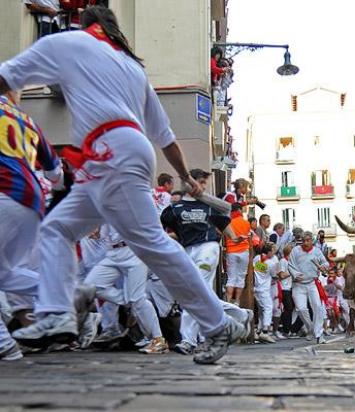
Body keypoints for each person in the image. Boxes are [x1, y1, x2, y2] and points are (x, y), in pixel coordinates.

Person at [1, 6, 246, 364]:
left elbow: (6, 76)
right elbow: (166, 138)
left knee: (152, 244)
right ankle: (58, 313)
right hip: (115, 155)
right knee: (57, 228)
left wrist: (185, 178)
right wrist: (185, 176)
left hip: (111, 153)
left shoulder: (67, 43)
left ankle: (217, 323)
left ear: (83, 23)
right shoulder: (133, 68)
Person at [161, 169, 253, 355]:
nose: (202, 186)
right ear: (188, 183)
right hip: (187, 251)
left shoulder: (210, 206)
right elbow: (164, 229)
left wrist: (233, 237)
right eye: (200, 182)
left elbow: (224, 221)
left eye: (204, 183)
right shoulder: (174, 209)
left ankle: (187, 340)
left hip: (208, 248)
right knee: (200, 294)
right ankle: (240, 313)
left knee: (194, 291)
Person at [0, 90, 63, 360]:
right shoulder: (27, 119)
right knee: (4, 274)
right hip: (32, 202)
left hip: (3, 191)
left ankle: (5, 347)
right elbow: (55, 173)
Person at [83, 225, 168, 354]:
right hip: (111, 252)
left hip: (133, 251)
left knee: (137, 299)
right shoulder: (102, 207)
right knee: (91, 286)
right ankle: (133, 302)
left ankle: (158, 340)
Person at [288, 231, 330, 344]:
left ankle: (319, 334)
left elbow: (326, 263)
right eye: (304, 241)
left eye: (308, 240)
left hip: (312, 283)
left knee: (318, 307)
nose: (306, 243)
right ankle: (310, 327)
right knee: (300, 308)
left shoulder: (317, 251)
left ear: (312, 240)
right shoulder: (295, 251)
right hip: (298, 284)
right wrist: (296, 275)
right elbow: (290, 265)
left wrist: (323, 267)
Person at [225, 203, 251, 304]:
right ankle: (237, 301)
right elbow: (248, 236)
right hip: (244, 251)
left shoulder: (228, 222)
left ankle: (228, 300)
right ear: (239, 210)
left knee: (231, 278)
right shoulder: (246, 223)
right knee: (241, 277)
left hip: (231, 251)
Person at [252, 242, 278, 343]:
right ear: (269, 252)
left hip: (256, 288)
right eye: (273, 251)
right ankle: (265, 331)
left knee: (262, 310)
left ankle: (258, 331)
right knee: (268, 308)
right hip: (264, 289)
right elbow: (275, 275)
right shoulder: (270, 263)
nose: (274, 254)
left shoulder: (256, 258)